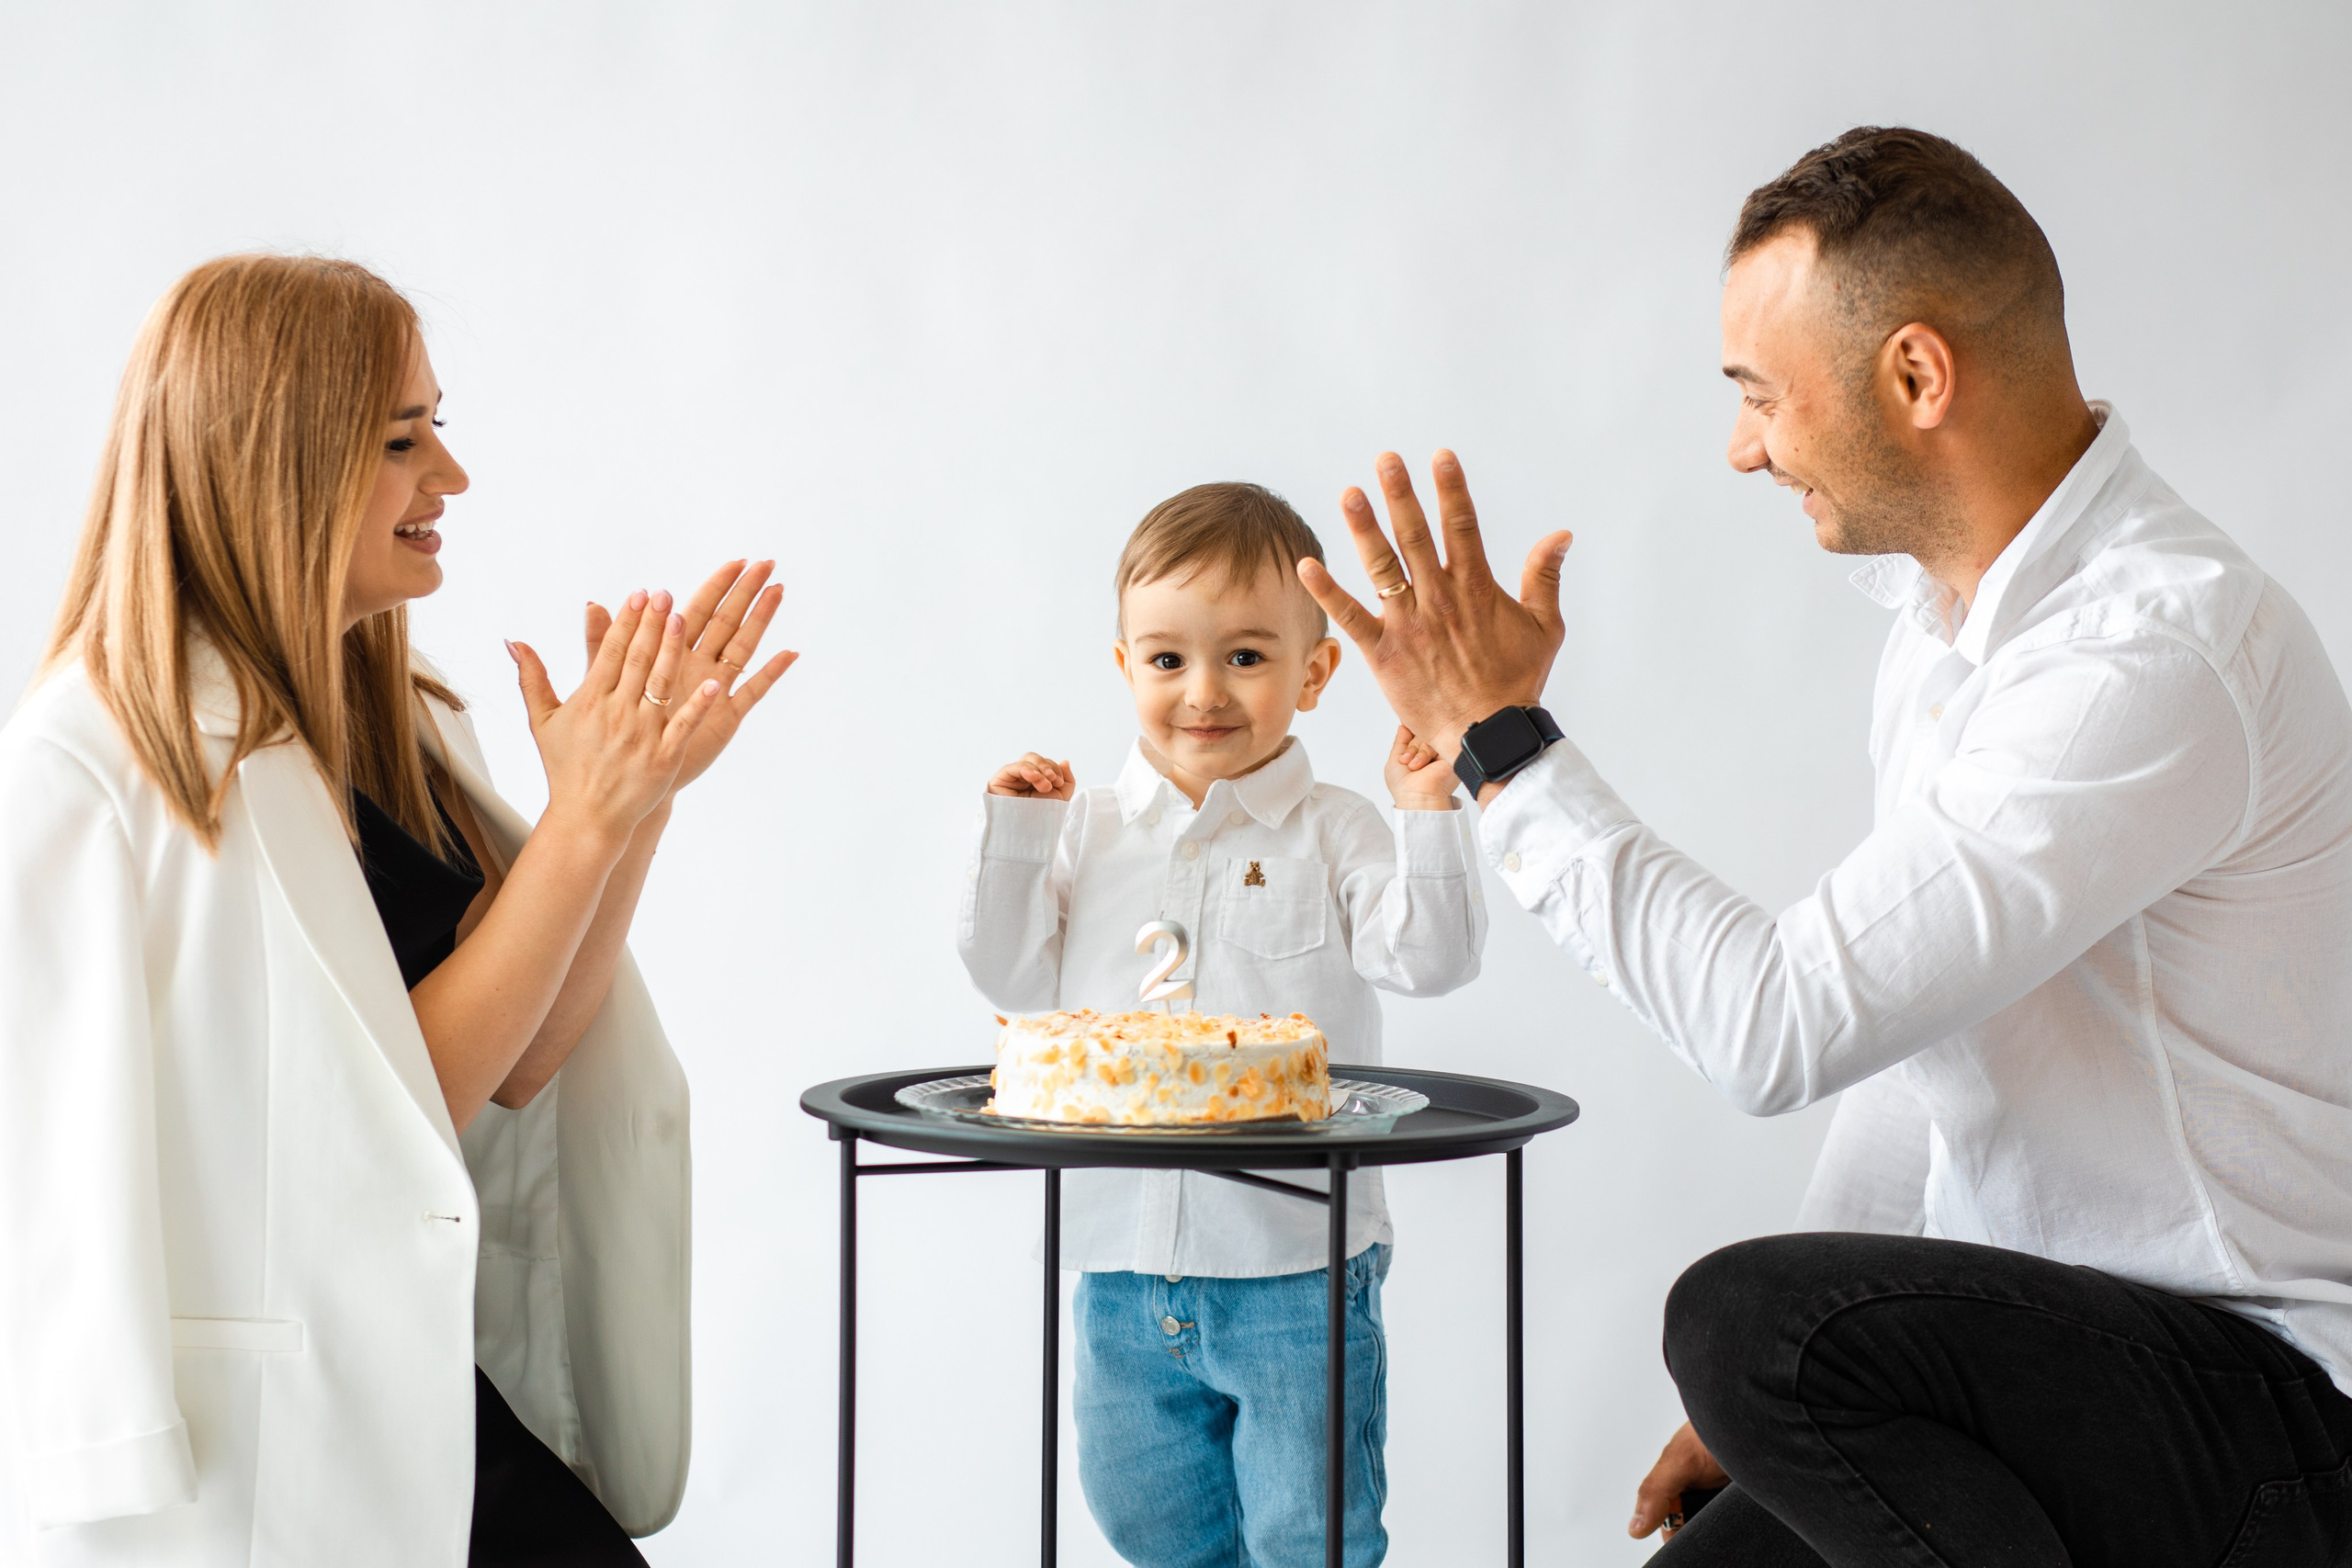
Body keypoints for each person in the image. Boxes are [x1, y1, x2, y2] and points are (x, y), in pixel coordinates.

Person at [1295, 127, 2352, 1564]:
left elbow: (1779, 1024)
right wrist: (1773, 1409)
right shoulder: (1943, 638)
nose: (1742, 447)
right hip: (2029, 1390)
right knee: (1735, 1441)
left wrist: (1502, 742)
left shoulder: (2151, 652)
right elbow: (1924, 1053)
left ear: (1915, 375)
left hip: (2266, 1421)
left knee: (1740, 1317)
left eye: (1761, 395)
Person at [0, 254, 794, 1564]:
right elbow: (384, 1111)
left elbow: (524, 1061)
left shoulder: (396, 717)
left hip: (421, 1390)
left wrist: (635, 799)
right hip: (258, 1450)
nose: (452, 478)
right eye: (401, 437)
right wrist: (583, 821)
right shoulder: (86, 766)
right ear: (279, 456)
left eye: (441, 425)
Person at [957, 482, 1485, 1567]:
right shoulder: (1084, 827)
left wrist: (1425, 809)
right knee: (1146, 1518)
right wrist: (1015, 829)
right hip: (1114, 1259)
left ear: (1316, 670)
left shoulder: (1335, 829)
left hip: (1294, 1256)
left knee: (1309, 1533)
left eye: (1245, 657)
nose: (1203, 692)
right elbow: (1007, 975)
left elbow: (1431, 960)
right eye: (1166, 660)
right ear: (1122, 667)